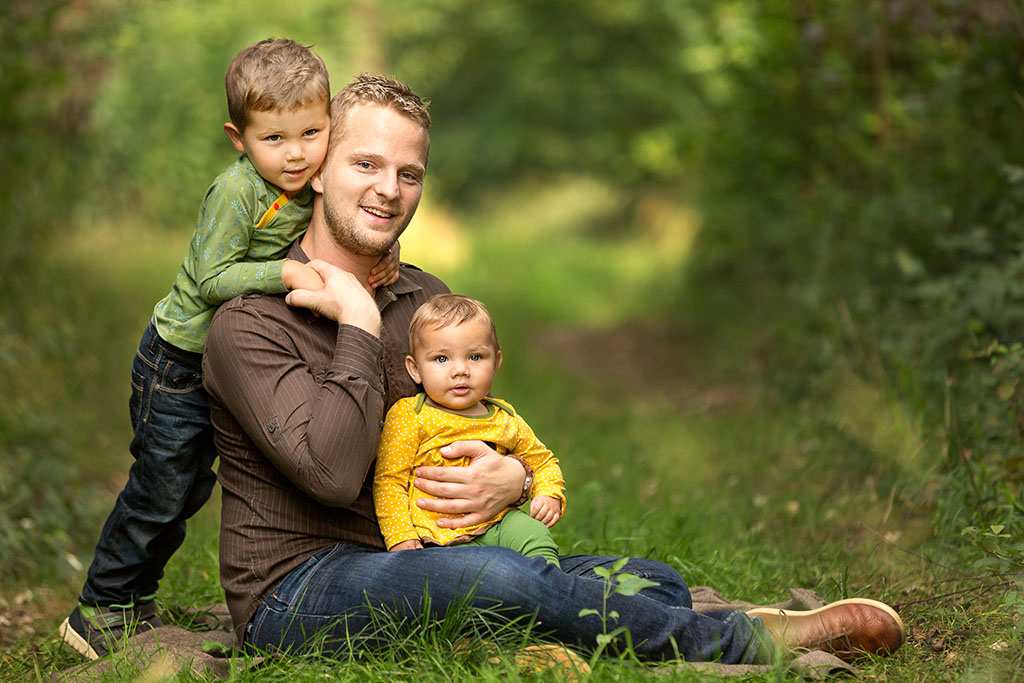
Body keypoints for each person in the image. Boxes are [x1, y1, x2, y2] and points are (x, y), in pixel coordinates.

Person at [202, 73, 906, 663]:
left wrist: (511, 477)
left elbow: (466, 422)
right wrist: (356, 319)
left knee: (650, 577)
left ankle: (515, 644)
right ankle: (745, 639)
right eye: (366, 165)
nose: (389, 190)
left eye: (408, 173)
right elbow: (328, 471)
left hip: (431, 552)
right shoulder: (248, 320)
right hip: (298, 589)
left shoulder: (425, 299)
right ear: (316, 167)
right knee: (500, 576)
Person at [59, 40, 400, 660]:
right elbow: (213, 279)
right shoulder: (236, 194)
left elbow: (346, 223)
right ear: (238, 138)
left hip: (226, 361)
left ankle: (136, 601)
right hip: (177, 361)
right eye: (274, 139)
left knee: (191, 489)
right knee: (162, 487)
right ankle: (100, 607)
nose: (296, 154)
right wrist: (285, 276)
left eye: (311, 132)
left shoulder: (303, 184)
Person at [374, 293, 564, 566]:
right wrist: (401, 537)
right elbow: (390, 481)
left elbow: (542, 461)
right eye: (441, 359)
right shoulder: (410, 415)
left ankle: (550, 585)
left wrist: (548, 492)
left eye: (475, 357)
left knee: (533, 533)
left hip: (499, 522)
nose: (460, 370)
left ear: (496, 362)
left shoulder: (504, 417)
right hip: (435, 533)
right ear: (415, 369)